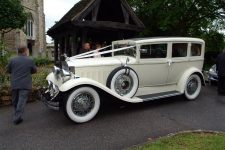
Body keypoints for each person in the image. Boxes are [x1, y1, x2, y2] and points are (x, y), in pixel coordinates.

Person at [6, 46, 37, 125]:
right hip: (25, 84)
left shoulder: (12, 60)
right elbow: (34, 71)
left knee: (15, 101)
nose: (28, 52)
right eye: (27, 50)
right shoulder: (30, 60)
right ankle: (17, 118)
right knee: (21, 102)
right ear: (25, 51)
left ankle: (17, 115)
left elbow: (8, 70)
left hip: (15, 83)